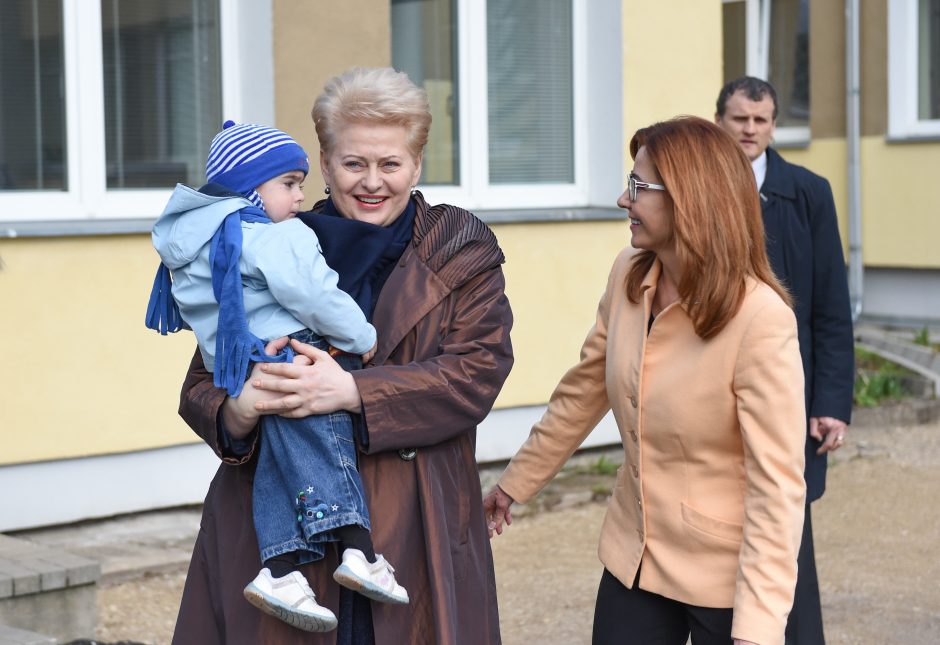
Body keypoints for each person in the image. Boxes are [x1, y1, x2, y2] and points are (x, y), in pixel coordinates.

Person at [170, 67, 513, 645]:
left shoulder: (459, 246)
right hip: (282, 533)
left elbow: (477, 370)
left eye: (390, 164)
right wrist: (241, 408)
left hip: (415, 517)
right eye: (354, 164)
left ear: (417, 164)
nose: (372, 182)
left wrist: (354, 393)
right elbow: (203, 382)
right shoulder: (270, 236)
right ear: (325, 165)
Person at [484, 116, 807, 645]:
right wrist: (514, 483)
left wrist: (757, 630)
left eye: (639, 186)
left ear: (690, 198)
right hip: (633, 560)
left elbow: (778, 488)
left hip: (724, 583)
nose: (622, 199)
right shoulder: (629, 273)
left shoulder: (760, 319)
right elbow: (583, 392)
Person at [147, 121, 411, 633]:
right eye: (289, 182)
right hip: (298, 348)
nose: (300, 195)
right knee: (325, 438)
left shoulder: (201, 241)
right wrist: (363, 338)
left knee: (279, 460)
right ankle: (359, 551)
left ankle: (281, 568)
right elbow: (316, 296)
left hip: (247, 363)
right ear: (251, 188)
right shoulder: (276, 235)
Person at [715, 76, 855, 645]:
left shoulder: (809, 192)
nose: (750, 130)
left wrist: (831, 403)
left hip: (788, 390)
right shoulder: (701, 187)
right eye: (740, 118)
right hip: (716, 385)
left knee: (785, 523)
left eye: (762, 120)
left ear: (774, 125)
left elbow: (830, 307)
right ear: (720, 119)